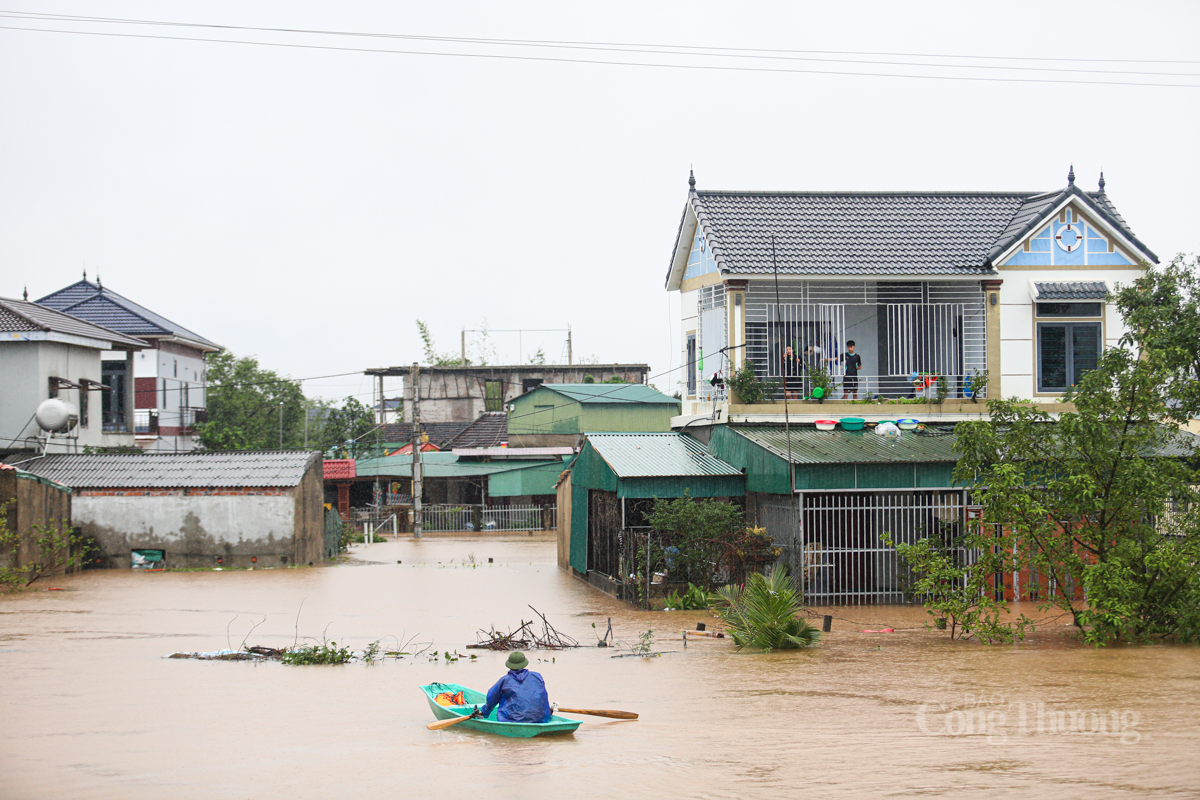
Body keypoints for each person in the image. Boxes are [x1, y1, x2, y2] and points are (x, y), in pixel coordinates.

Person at [479, 651, 552, 723]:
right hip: (541, 718)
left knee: (503, 697)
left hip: (513, 719)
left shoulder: (505, 680)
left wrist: (484, 712)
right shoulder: (537, 676)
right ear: (524, 663)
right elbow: (543, 696)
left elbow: (492, 698)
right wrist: (547, 712)